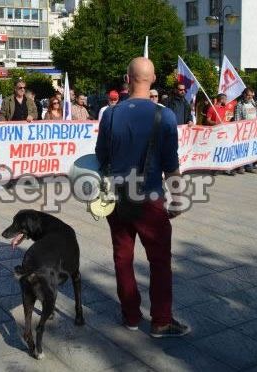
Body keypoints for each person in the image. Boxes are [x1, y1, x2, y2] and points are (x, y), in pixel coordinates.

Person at [95, 57, 189, 338]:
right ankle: (161, 321)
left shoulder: (110, 114)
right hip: (150, 199)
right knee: (159, 262)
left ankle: (131, 317)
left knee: (122, 258)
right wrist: (179, 198)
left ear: (127, 78)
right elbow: (171, 165)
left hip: (118, 199)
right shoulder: (166, 116)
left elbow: (101, 156)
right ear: (154, 79)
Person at [233, 88, 257, 174]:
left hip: (252, 130)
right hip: (243, 130)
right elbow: (237, 119)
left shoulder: (253, 103)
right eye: (248, 95)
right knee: (242, 149)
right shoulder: (239, 105)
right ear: (244, 95)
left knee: (250, 148)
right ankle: (240, 166)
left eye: (252, 96)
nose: (250, 97)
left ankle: (249, 166)